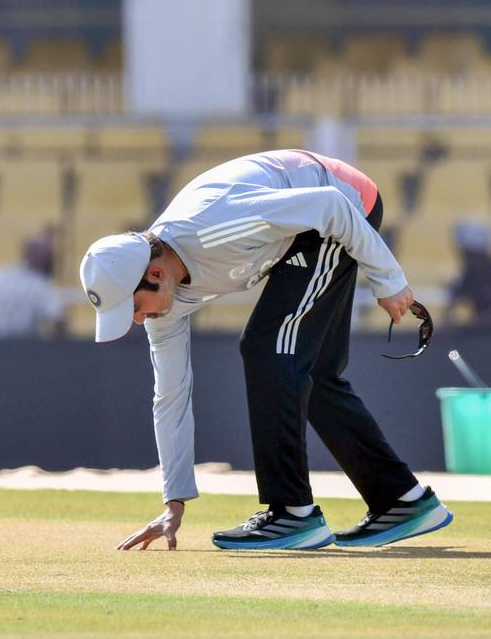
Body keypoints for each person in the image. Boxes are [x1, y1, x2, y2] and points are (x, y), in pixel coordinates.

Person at [79, 149, 452, 551]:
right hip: (306, 225)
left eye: (134, 306)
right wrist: (174, 503)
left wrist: (389, 280)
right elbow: (170, 397)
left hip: (340, 198)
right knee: (308, 373)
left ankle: (292, 513)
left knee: (266, 347)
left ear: (155, 274)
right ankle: (403, 501)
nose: (138, 320)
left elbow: (331, 205)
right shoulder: (163, 300)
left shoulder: (212, 228)